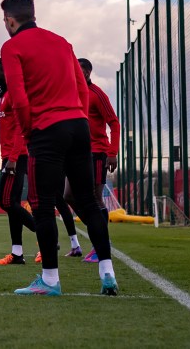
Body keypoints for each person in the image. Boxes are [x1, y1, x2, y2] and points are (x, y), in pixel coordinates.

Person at [0, 0, 118, 296]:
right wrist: (77, 114)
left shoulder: (12, 47)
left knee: (41, 205)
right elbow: (81, 87)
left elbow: (19, 98)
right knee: (89, 202)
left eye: (4, 20)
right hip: (78, 127)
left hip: (45, 130)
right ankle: (107, 272)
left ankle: (50, 280)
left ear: (10, 21)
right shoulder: (62, 42)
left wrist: (28, 132)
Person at [0, 59, 36, 266]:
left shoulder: (14, 95)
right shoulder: (4, 95)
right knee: (12, 204)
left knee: (6, 202)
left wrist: (13, 158)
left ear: (6, 72)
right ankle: (17, 254)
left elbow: (20, 128)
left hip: (15, 157)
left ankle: (45, 235)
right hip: (10, 156)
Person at [77, 57, 120, 263]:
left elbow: (114, 122)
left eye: (78, 69)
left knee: (95, 197)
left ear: (86, 72)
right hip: (77, 151)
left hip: (97, 151)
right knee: (68, 194)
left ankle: (101, 243)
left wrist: (113, 152)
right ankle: (98, 234)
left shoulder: (97, 94)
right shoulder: (72, 92)